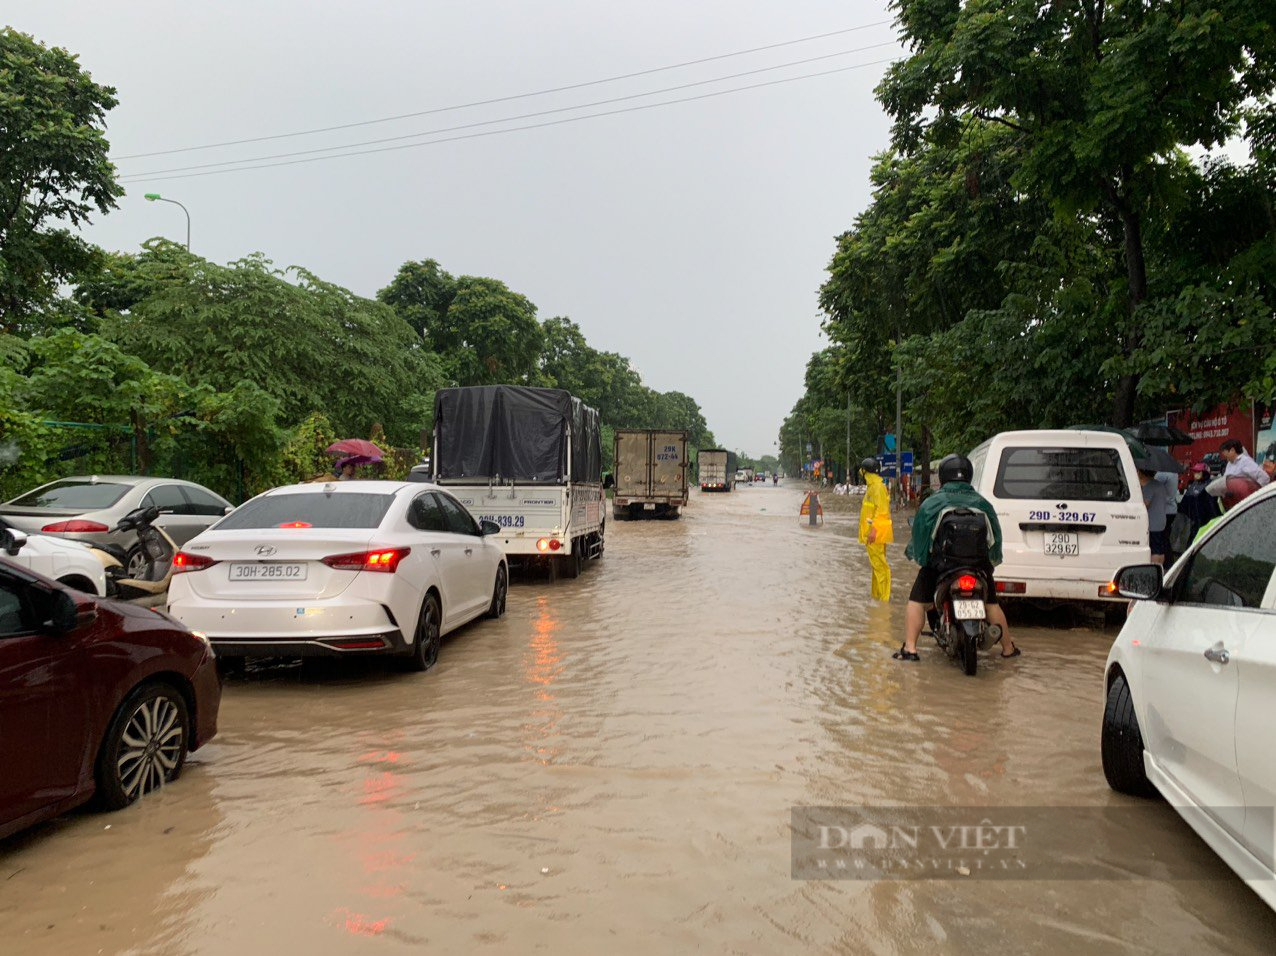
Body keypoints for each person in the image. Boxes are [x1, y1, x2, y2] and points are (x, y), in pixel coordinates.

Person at [893, 454, 1018, 662]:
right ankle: (1008, 649)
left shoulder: (932, 504)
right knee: (992, 605)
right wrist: (989, 566)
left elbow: (920, 542)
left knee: (916, 602)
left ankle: (910, 649)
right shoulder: (983, 504)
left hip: (942, 568)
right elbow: (995, 541)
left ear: (942, 476)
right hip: (978, 568)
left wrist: (925, 562)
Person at [857, 457, 893, 601]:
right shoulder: (873, 487)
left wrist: (873, 531)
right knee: (876, 566)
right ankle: (877, 596)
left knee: (880, 567)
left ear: (866, 472)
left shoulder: (877, 487)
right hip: (872, 533)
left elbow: (882, 511)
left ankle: (884, 601)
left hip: (875, 534)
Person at [1173, 462, 1221, 550]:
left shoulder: (1209, 485)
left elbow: (1212, 505)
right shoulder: (1194, 485)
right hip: (1193, 520)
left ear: (1204, 473)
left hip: (1205, 519)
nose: (1195, 474)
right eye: (1195, 472)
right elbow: (1186, 502)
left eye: (1198, 472)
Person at [1138, 466, 1169, 566]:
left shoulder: (1149, 486)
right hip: (1161, 521)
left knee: (1154, 549)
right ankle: (1160, 568)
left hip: (1152, 524)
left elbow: (1145, 504)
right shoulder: (1159, 485)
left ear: (1141, 473)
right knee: (1160, 549)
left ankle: (1153, 567)